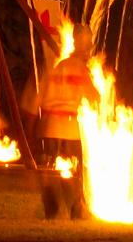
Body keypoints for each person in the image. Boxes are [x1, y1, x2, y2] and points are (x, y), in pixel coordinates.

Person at [25, 23, 98, 220]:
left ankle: (52, 206)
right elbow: (96, 97)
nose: (90, 48)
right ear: (82, 43)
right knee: (73, 172)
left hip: (49, 128)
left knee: (49, 170)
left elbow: (34, 104)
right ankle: (75, 207)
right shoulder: (80, 69)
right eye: (89, 44)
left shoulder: (54, 68)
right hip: (71, 130)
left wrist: (29, 132)